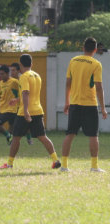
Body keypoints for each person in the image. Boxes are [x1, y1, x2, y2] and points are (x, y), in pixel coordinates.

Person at [0, 54, 61, 169]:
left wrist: (26, 111)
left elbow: (26, 93)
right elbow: (31, 94)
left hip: (25, 112)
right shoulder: (37, 75)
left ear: (20, 65)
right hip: (38, 110)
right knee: (42, 137)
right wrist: (17, 100)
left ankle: (9, 164)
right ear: (31, 64)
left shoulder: (23, 76)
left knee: (16, 138)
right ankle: (55, 160)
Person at [61, 37, 107, 172]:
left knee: (70, 134)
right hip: (90, 104)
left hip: (74, 103)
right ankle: (94, 166)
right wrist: (103, 108)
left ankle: (64, 166)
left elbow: (68, 82)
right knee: (93, 135)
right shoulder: (96, 64)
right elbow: (99, 87)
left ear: (83, 48)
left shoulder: (73, 61)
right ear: (95, 49)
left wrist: (66, 101)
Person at [10, 62, 33, 145]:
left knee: (24, 124)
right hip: (17, 106)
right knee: (15, 124)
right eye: (11, 70)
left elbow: (26, 93)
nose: (11, 72)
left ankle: (28, 139)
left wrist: (17, 100)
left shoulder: (22, 79)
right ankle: (15, 139)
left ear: (18, 71)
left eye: (13, 70)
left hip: (24, 106)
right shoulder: (13, 81)